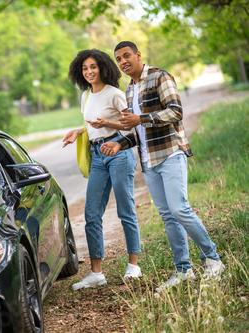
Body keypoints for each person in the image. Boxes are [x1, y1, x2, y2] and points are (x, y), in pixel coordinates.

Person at [103, 41, 224, 290]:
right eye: (119, 59)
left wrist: (142, 118)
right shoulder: (129, 90)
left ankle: (212, 259)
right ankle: (183, 270)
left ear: (138, 55)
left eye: (127, 56)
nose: (123, 62)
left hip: (170, 154)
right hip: (148, 162)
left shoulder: (160, 76)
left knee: (180, 209)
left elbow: (176, 111)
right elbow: (137, 130)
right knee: (168, 216)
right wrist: (119, 144)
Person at [62, 49, 142, 290]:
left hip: (119, 152)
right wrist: (80, 131)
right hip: (97, 156)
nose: (89, 72)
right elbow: (93, 125)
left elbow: (131, 126)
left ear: (103, 68)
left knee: (125, 208)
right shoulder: (85, 96)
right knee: (91, 213)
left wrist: (108, 124)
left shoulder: (115, 94)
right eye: (85, 68)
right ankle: (97, 273)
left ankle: (133, 266)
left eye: (93, 67)